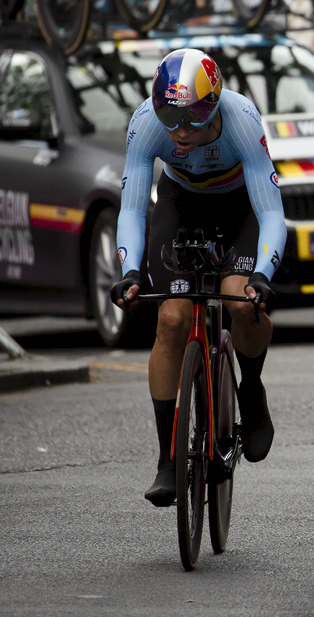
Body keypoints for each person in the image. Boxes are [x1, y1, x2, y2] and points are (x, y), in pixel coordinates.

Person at [110, 49, 285, 507]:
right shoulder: (148, 121)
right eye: (174, 123)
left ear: (216, 104)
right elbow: (131, 207)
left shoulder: (242, 117)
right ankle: (168, 460)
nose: (182, 133)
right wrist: (129, 270)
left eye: (194, 122)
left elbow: (271, 213)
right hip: (181, 203)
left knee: (238, 299)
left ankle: (251, 386)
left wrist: (262, 275)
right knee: (169, 319)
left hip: (239, 206)